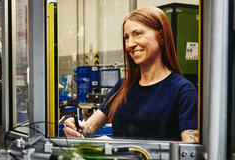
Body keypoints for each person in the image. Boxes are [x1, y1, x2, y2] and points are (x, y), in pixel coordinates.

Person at [64, 6, 198, 142]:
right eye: (126, 37)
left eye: (137, 34)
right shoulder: (122, 86)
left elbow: (189, 151)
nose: (130, 44)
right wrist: (75, 128)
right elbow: (87, 129)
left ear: (161, 37)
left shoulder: (183, 91)